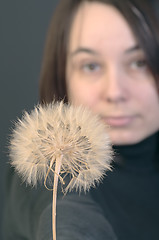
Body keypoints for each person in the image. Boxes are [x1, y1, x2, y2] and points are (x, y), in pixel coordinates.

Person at [3, 0, 159, 239]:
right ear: (62, 75)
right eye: (91, 66)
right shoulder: (50, 165)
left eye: (140, 63)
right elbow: (64, 213)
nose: (115, 92)